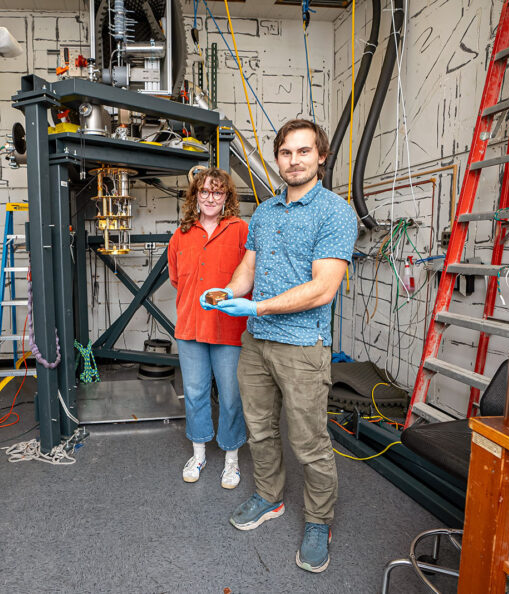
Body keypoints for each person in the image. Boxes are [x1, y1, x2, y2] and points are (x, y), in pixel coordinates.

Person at [201, 119, 357, 573]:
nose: (294, 160)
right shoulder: (265, 213)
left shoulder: (335, 213)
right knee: (261, 429)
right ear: (278, 158)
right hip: (257, 345)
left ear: (321, 157)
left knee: (309, 441)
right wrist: (228, 293)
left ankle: (318, 520)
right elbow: (246, 270)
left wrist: (258, 308)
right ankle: (270, 497)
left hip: (303, 346)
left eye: (304, 152)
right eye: (286, 152)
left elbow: (323, 288)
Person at [168, 167, 249, 489]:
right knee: (196, 394)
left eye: (217, 192)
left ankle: (231, 460)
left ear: (227, 196)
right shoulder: (181, 234)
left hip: (229, 329)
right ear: (195, 196)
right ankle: (198, 453)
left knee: (231, 397)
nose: (210, 198)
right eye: (204, 191)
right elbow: (177, 279)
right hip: (190, 327)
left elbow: (250, 275)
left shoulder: (241, 230)